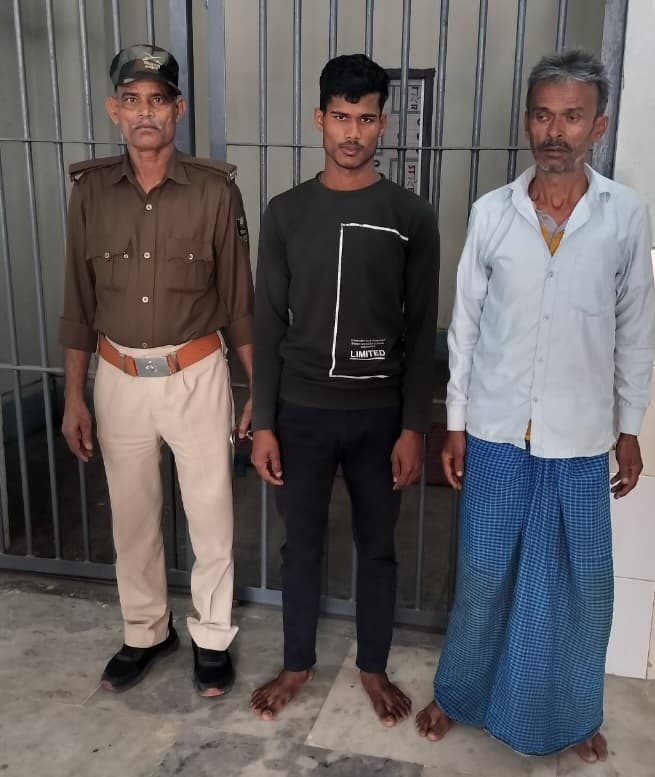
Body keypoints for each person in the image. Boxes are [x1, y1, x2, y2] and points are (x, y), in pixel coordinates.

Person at [416, 49, 655, 762]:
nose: (556, 131)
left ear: (598, 126)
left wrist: (629, 429)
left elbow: (636, 330)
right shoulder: (492, 214)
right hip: (495, 434)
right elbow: (464, 329)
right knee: (484, 577)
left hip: (580, 440)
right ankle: (458, 694)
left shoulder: (624, 217)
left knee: (581, 587)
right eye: (544, 115)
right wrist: (454, 424)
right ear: (527, 121)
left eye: (572, 117)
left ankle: (575, 714)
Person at [249, 54, 439, 726]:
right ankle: (296, 662)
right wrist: (263, 422)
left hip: (379, 418)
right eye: (340, 117)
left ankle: (373, 665)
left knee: (378, 546)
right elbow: (267, 321)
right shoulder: (285, 212)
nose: (351, 132)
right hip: (300, 413)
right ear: (319, 120)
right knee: (299, 545)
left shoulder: (410, 215)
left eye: (364, 119)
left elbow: (421, 328)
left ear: (383, 124)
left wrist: (413, 427)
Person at [59, 44, 254, 697]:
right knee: (133, 518)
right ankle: (145, 631)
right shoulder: (90, 194)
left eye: (158, 100)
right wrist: (74, 396)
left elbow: (239, 301)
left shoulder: (215, 192)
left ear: (179, 109)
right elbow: (78, 303)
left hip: (196, 374)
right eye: (132, 100)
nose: (146, 112)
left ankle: (212, 636)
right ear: (114, 110)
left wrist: (257, 389)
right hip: (117, 378)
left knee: (211, 516)